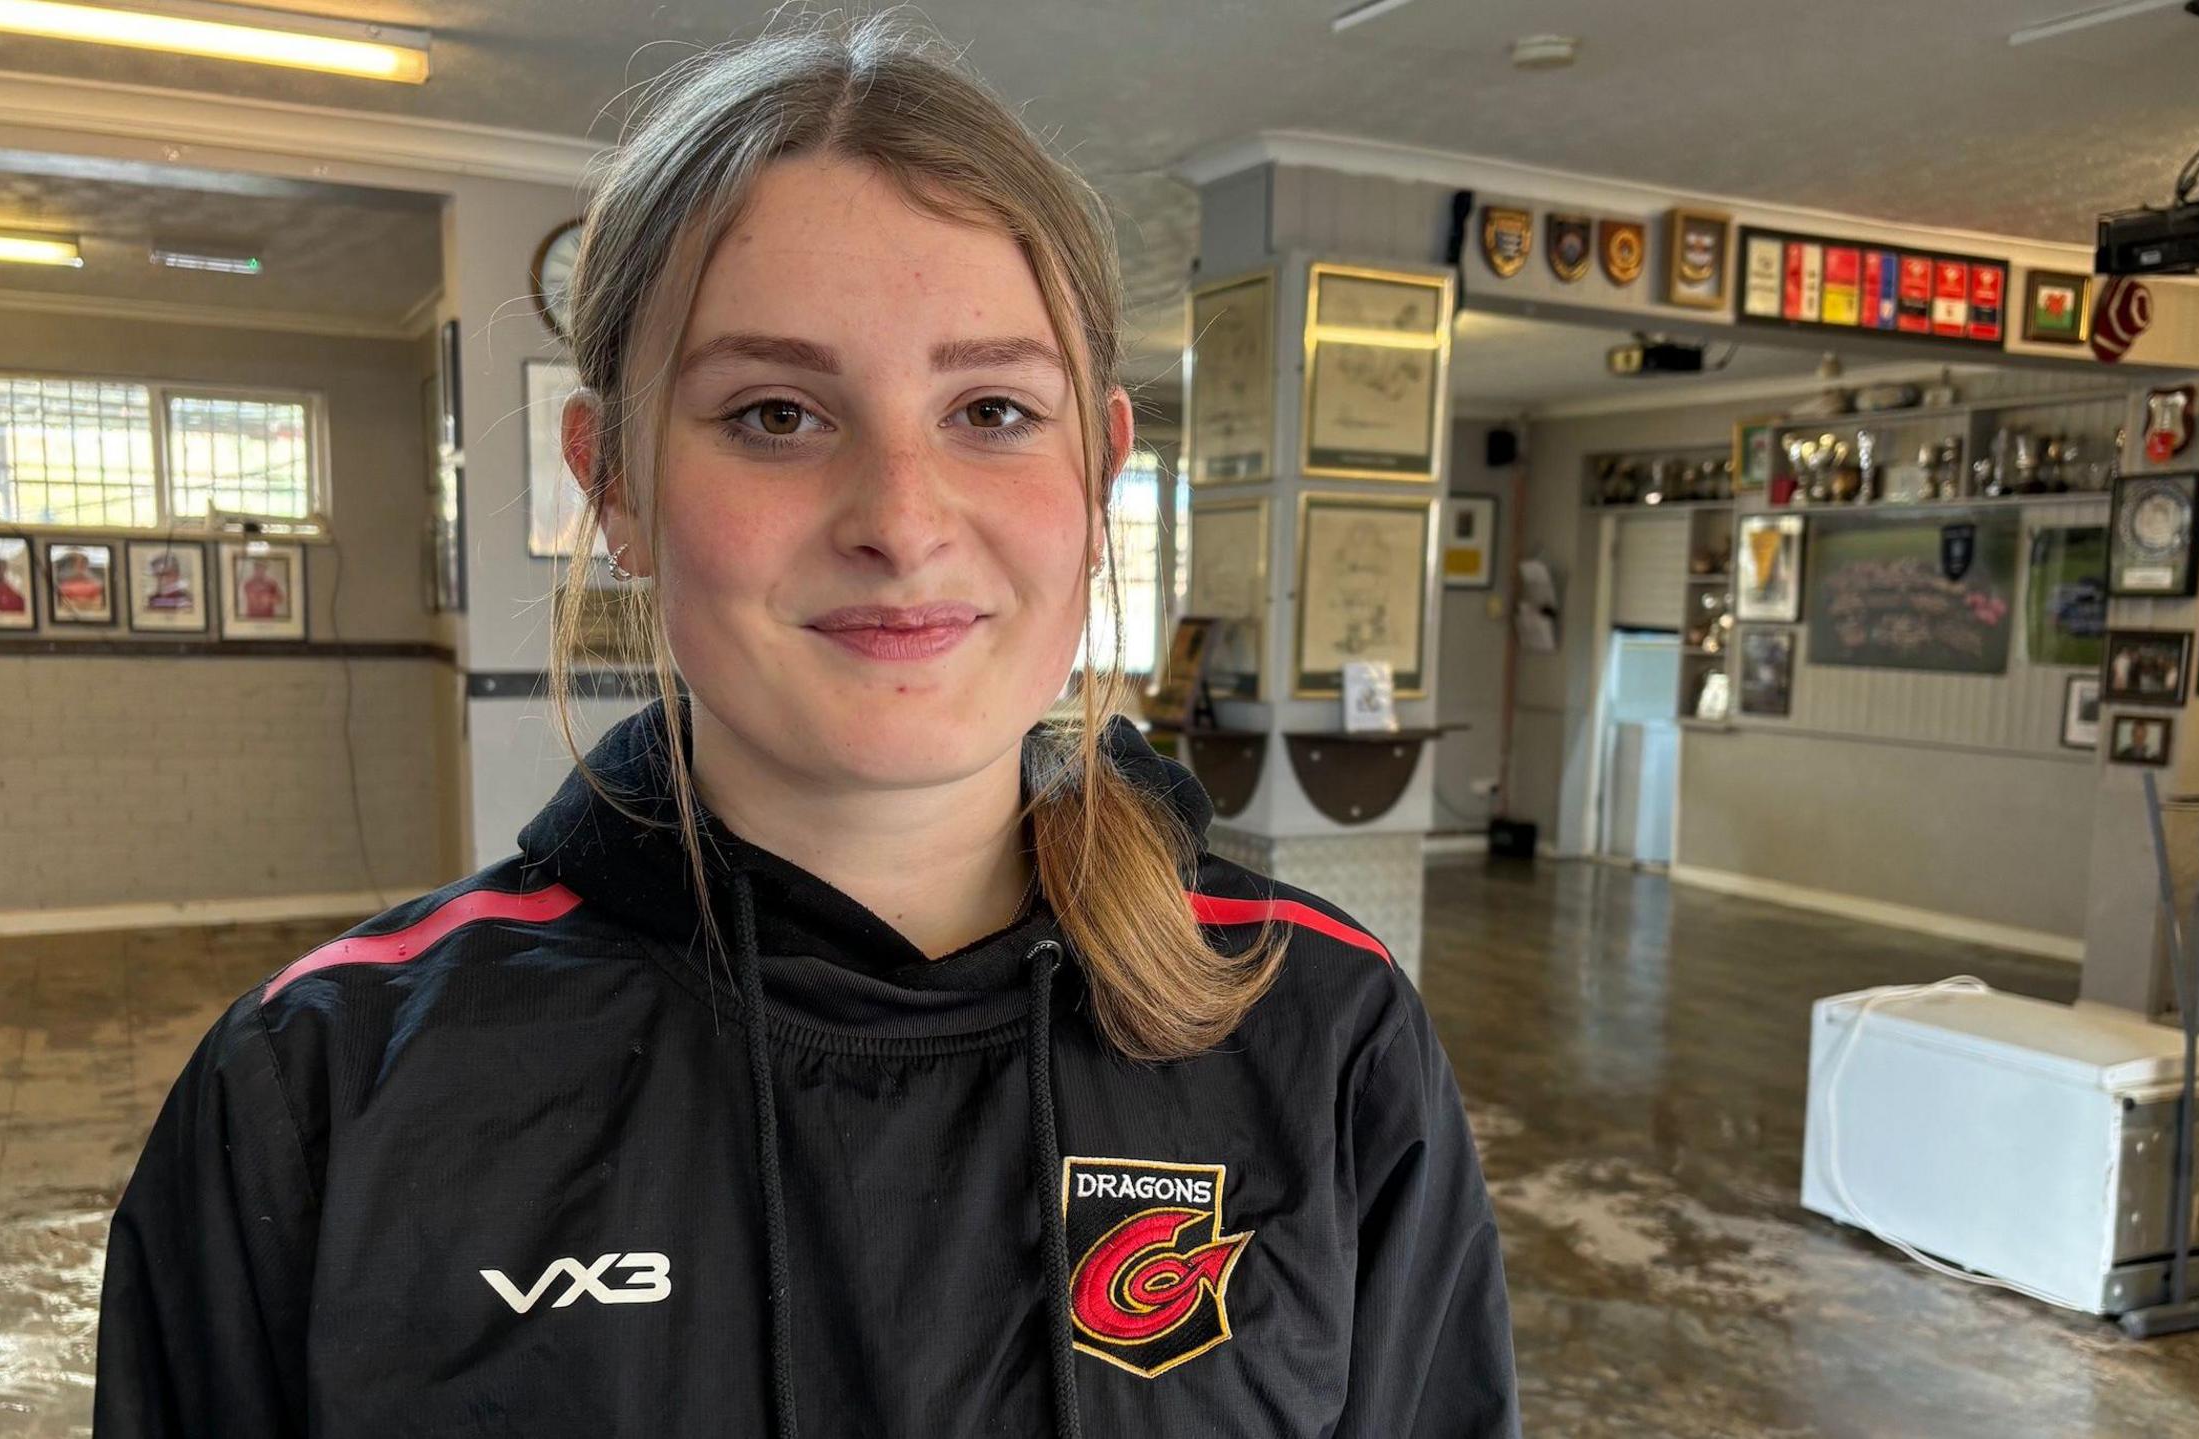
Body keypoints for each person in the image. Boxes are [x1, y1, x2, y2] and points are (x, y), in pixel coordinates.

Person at [95, 17, 1517, 1439]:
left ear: (1099, 474)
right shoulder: (317, 1096)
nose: (901, 520)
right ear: (619, 486)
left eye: (994, 409)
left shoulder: (1324, 1031)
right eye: (775, 412)